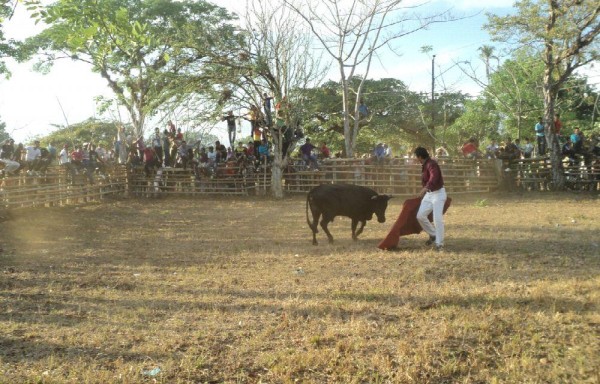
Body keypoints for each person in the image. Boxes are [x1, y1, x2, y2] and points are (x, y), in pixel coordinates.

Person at [414, 146, 447, 251]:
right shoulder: (426, 164)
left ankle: (439, 244)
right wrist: (426, 189)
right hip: (429, 194)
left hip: (438, 194)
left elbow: (434, 177)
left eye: (416, 157)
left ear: (419, 157)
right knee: (420, 216)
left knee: (437, 220)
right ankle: (433, 234)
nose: (416, 159)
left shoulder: (431, 164)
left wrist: (425, 188)